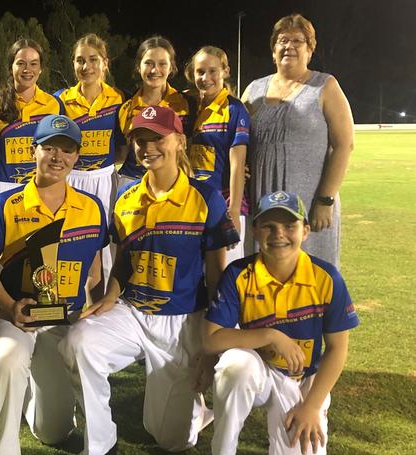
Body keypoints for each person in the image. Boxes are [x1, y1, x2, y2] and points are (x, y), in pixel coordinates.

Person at [58, 106, 239, 455]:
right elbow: (123, 260)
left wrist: (211, 342)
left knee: (171, 440)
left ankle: (195, 411)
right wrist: (109, 294)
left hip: (183, 319)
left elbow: (216, 273)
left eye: (157, 137)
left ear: (178, 141)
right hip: (132, 311)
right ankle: (99, 447)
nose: (147, 146)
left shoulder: (205, 197)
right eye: (140, 139)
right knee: (79, 341)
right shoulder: (125, 199)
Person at [192, 190, 358, 455]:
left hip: (302, 380)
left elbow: (337, 349)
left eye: (289, 226)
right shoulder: (239, 273)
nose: (278, 234)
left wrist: (311, 406)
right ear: (255, 230)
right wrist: (271, 335)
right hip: (261, 370)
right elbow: (210, 340)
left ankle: (286, 450)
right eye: (268, 226)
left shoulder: (326, 277)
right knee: (235, 364)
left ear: (305, 231)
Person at [0, 114, 107, 455]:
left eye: (66, 150)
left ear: (76, 157)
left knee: (52, 432)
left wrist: (90, 310)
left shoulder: (92, 207)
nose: (57, 156)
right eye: (48, 147)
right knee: (6, 360)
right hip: (12, 312)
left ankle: (35, 392)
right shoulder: (4, 204)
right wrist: (8, 306)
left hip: (60, 317)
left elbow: (95, 271)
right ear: (33, 150)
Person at [242, 13, 354, 267]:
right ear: (273, 50)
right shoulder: (253, 90)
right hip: (263, 200)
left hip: (310, 203)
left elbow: (344, 144)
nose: (289, 46)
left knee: (313, 274)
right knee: (264, 273)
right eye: (282, 40)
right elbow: (238, 142)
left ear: (310, 50)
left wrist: (326, 200)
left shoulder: (325, 86)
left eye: (298, 41)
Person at [55, 33, 125, 286]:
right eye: (80, 60)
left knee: (106, 249)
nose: (86, 67)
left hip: (104, 179)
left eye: (93, 59)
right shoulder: (61, 99)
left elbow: (122, 146)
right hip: (71, 179)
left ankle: (103, 312)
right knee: (69, 245)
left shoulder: (118, 98)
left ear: (105, 62)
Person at [185, 46, 250, 263]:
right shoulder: (189, 107)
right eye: (200, 72)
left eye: (213, 71)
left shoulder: (234, 109)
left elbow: (238, 165)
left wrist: (232, 211)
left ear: (225, 71)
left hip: (223, 203)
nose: (206, 78)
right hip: (192, 203)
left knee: (225, 275)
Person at [0, 38, 62, 203]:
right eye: (21, 63)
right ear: (11, 67)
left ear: (41, 69)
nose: (27, 69)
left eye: (33, 64)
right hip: (2, 188)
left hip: (41, 187)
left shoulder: (54, 104)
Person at [116, 36, 193, 190]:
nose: (154, 70)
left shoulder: (186, 104)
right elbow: (121, 155)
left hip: (173, 183)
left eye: (162, 64)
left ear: (171, 67)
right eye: (148, 63)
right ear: (139, 67)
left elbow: (192, 149)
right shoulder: (126, 107)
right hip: (132, 183)